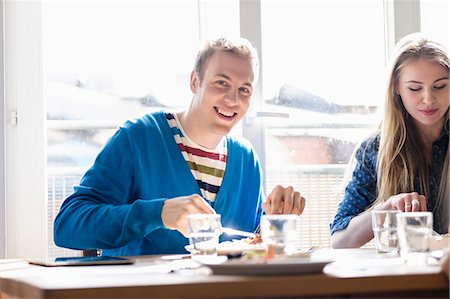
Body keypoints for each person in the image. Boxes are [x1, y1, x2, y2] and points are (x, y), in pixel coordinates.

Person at [54, 37, 306, 256]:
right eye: (222, 83)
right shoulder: (139, 137)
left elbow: (250, 242)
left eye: (245, 89)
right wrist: (159, 213)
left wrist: (276, 220)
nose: (233, 99)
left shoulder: (245, 158)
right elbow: (67, 225)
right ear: (195, 81)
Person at [330, 33, 449, 248]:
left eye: (440, 86)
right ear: (396, 89)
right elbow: (340, 241)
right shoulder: (374, 149)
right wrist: (388, 207)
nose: (429, 99)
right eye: (414, 88)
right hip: (402, 277)